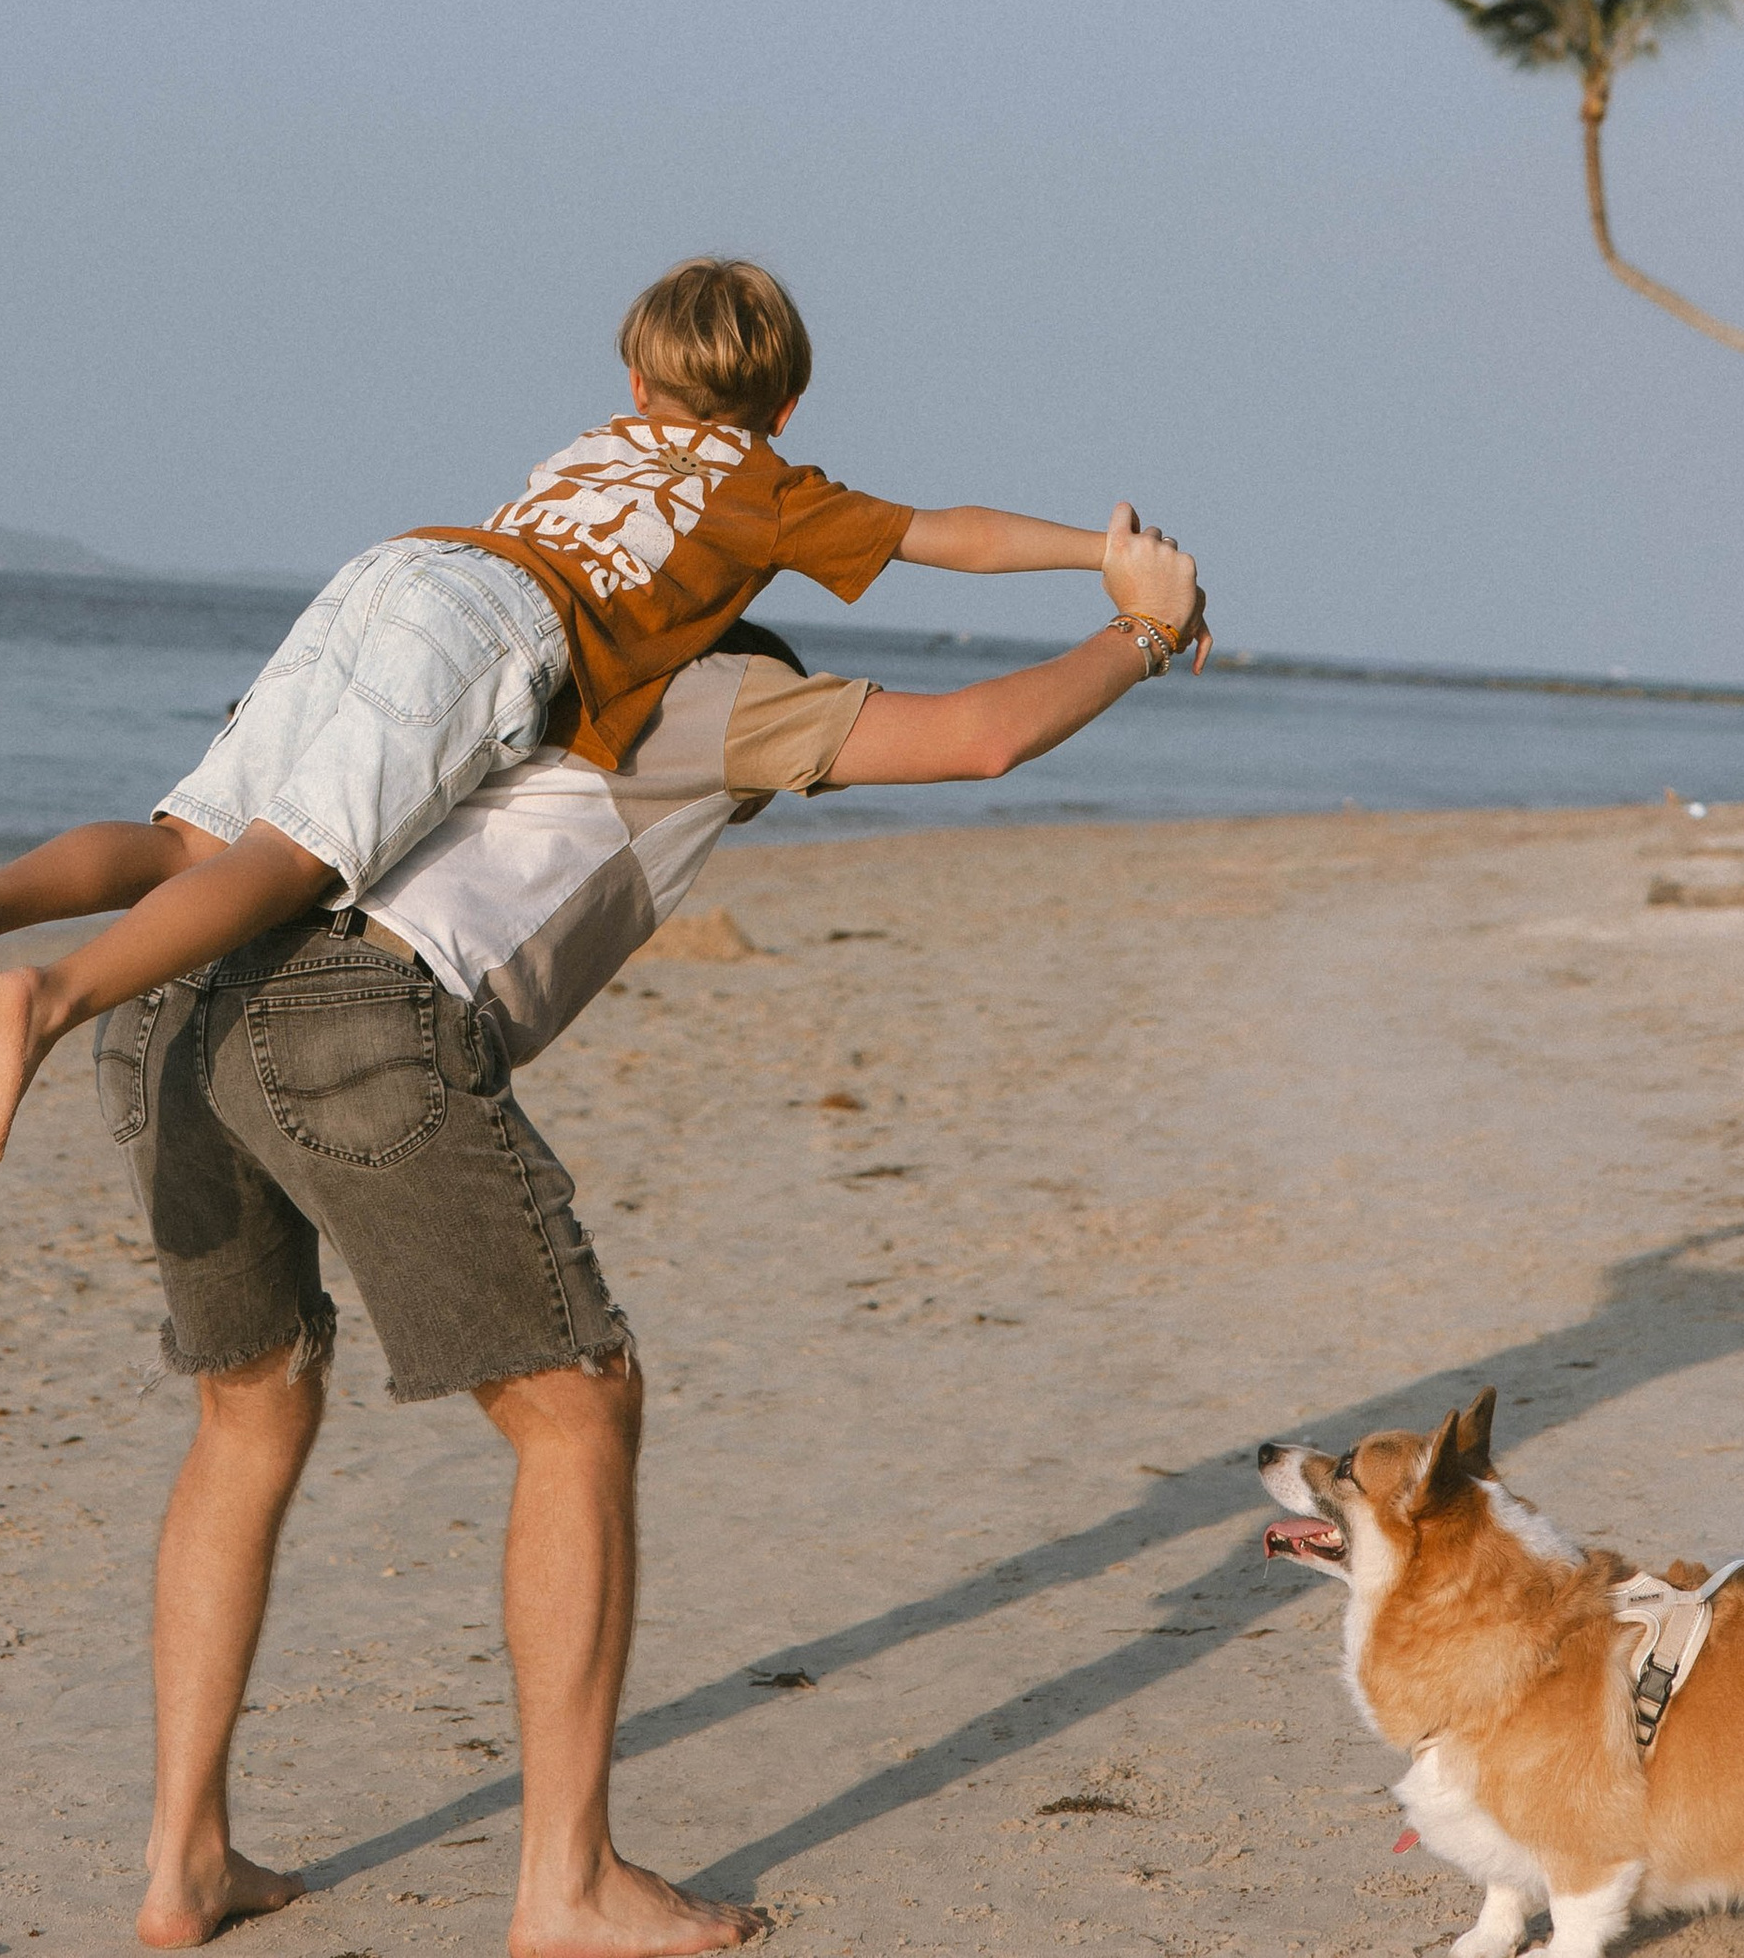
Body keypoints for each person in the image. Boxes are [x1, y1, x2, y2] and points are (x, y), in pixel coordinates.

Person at [102, 509, 1205, 1955]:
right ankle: (565, 1886)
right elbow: (982, 738)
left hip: (173, 991)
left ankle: (183, 1866)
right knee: (579, 1408)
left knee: (250, 1409)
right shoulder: (716, 693)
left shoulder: (528, 673)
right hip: (349, 1014)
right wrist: (1141, 631)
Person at [0, 259, 1181, 1187]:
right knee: (288, 860)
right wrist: (1106, 561)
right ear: (784, 408)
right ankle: (50, 997)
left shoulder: (596, 443)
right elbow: (951, 535)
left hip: (401, 567)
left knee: (191, 838)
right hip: (496, 627)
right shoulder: (772, 485)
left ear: (640, 383)